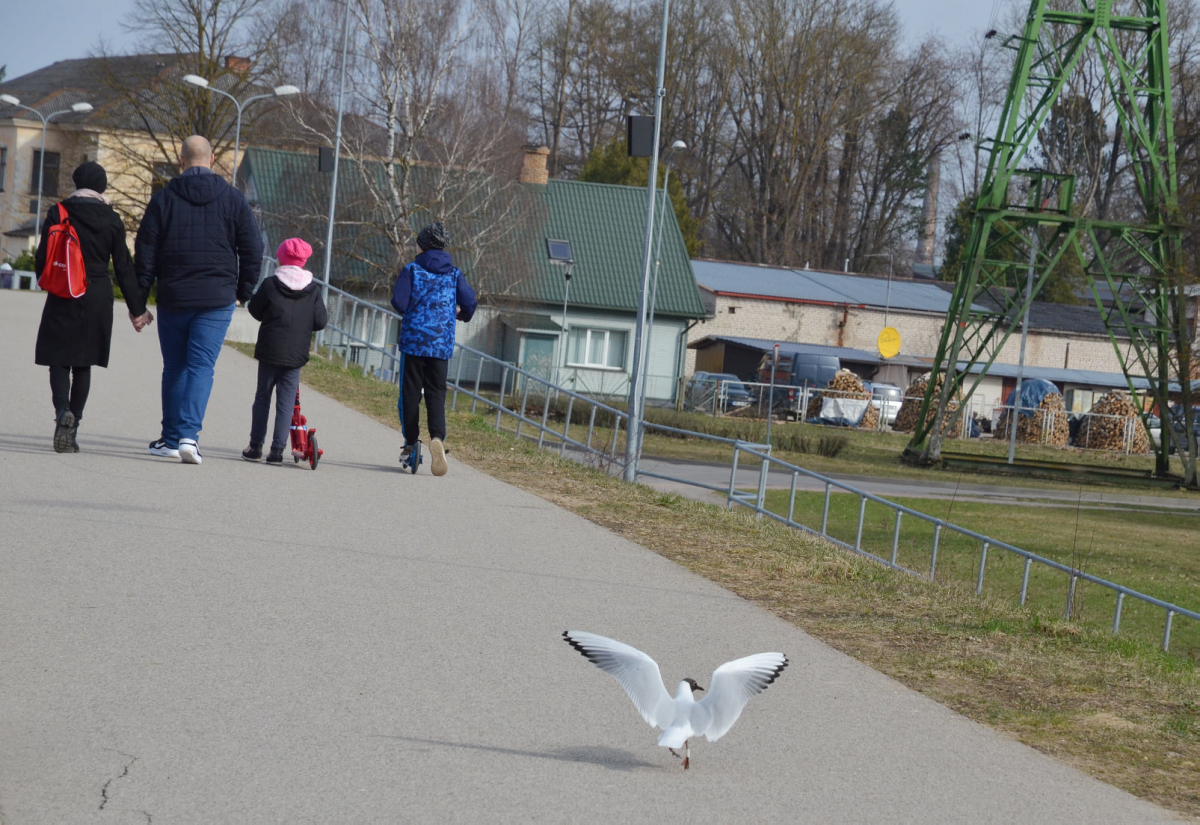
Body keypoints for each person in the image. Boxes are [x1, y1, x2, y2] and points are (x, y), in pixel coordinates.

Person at [135, 135, 263, 465]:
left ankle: (170, 438)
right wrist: (242, 293)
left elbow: (145, 253)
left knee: (175, 367)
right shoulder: (234, 200)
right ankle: (189, 437)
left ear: (181, 160)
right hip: (217, 298)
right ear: (212, 160)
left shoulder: (163, 199)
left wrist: (139, 302)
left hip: (174, 296)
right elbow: (253, 250)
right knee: (201, 367)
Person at [33, 161, 150, 453]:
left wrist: (46, 280)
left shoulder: (58, 212)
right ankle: (73, 431)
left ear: (76, 184)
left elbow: (42, 257)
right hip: (97, 293)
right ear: (102, 187)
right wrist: (137, 310)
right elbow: (124, 267)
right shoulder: (112, 219)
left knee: (58, 359)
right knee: (82, 364)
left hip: (64, 289)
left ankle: (62, 412)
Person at [391, 221, 476, 476]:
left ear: (424, 245)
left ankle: (411, 442)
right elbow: (470, 302)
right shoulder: (454, 274)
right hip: (440, 346)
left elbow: (399, 302)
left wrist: (412, 308)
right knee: (436, 393)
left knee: (410, 394)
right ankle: (437, 437)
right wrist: (460, 315)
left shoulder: (412, 270)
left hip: (414, 344)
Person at [242, 238, 328, 464]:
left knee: (262, 397)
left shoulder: (271, 284)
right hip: (296, 355)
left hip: (270, 350)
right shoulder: (313, 289)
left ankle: (255, 446)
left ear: (280, 258)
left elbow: (254, 309)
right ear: (303, 260)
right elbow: (320, 321)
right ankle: (277, 451)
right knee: (286, 402)